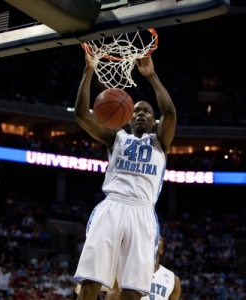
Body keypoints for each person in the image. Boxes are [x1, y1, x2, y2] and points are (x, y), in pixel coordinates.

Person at [74, 52, 177, 300]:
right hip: (112, 207)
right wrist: (89, 71)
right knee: (90, 285)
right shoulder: (116, 137)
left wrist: (151, 76)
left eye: (147, 112)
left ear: (154, 122)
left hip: (143, 213)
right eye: (136, 111)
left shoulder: (160, 142)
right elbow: (81, 115)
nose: (141, 113)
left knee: (132, 293)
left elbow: (171, 113)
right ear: (127, 117)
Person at [105, 236, 181, 300]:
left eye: (159, 238)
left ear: (161, 251)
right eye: (153, 235)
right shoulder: (125, 272)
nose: (156, 236)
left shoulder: (173, 279)